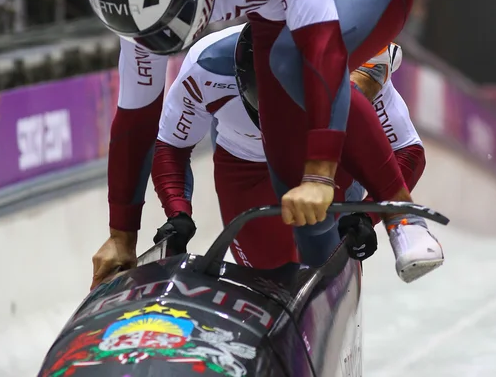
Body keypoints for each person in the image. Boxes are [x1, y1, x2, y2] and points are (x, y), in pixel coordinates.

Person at [85, 0, 418, 288]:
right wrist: (122, 234)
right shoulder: (140, 10)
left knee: (293, 64)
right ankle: (320, 293)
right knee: (289, 190)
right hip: (277, 18)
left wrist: (320, 177)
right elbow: (136, 118)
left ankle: (402, 213)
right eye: (149, 33)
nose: (162, 41)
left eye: (172, 19)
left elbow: (322, 51)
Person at [152, 26, 443, 282]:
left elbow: (408, 150)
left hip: (326, 163)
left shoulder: (357, 68)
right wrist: (178, 212)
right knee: (263, 280)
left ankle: (406, 227)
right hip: (247, 167)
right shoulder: (205, 68)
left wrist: (366, 215)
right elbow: (170, 145)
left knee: (329, 268)